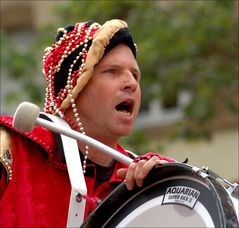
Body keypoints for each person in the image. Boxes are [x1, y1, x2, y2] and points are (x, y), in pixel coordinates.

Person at [0, 19, 175, 227]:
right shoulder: (12, 148)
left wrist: (168, 188)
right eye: (112, 71)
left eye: (135, 75)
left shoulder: (141, 180)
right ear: (73, 87)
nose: (131, 84)